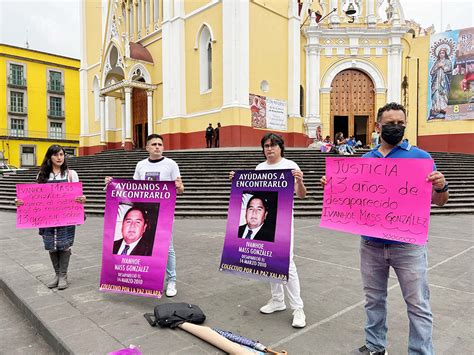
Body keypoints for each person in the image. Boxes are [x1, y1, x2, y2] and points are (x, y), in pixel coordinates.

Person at [321, 102, 449, 355]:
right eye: (390, 123)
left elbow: (439, 201)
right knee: (373, 300)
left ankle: (421, 352)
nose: (396, 127)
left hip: (408, 246)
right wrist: (334, 185)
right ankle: (375, 346)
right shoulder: (366, 159)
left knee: (418, 304)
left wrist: (441, 185)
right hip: (371, 245)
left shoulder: (421, 158)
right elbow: (353, 198)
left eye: (400, 123)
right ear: (378, 126)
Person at [230, 133, 307, 328]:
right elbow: (254, 193)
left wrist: (299, 182)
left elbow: (302, 195)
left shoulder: (291, 166)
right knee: (269, 261)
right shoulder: (260, 168)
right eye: (266, 146)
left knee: (287, 264)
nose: (269, 149)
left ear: (281, 147)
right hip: (265, 222)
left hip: (283, 222)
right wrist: (238, 182)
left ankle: (298, 308)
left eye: (273, 145)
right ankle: (277, 300)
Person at [105, 134, 184, 297]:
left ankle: (171, 280)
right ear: (147, 147)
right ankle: (146, 278)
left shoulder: (171, 164)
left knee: (168, 247)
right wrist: (113, 185)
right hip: (144, 212)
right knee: (148, 246)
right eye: (154, 144)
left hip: (164, 213)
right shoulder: (140, 165)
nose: (157, 147)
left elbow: (180, 189)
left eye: (160, 144)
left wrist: (179, 186)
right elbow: (134, 189)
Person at [15, 145, 86, 290]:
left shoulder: (71, 174)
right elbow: (35, 198)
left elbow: (78, 195)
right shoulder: (42, 175)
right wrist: (21, 202)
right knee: (52, 246)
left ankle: (63, 276)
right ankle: (56, 274)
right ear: (50, 157)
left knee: (64, 245)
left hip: (66, 216)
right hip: (47, 217)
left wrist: (82, 199)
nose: (60, 157)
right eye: (56, 155)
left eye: (62, 154)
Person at [429, 48, 452, 119]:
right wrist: (437, 67)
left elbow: (449, 69)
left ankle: (444, 108)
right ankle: (436, 108)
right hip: (436, 82)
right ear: (438, 54)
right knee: (436, 94)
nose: (441, 54)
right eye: (440, 53)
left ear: (445, 54)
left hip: (444, 81)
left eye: (443, 53)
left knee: (443, 94)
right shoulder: (436, 62)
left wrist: (442, 66)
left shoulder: (447, 61)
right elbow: (431, 72)